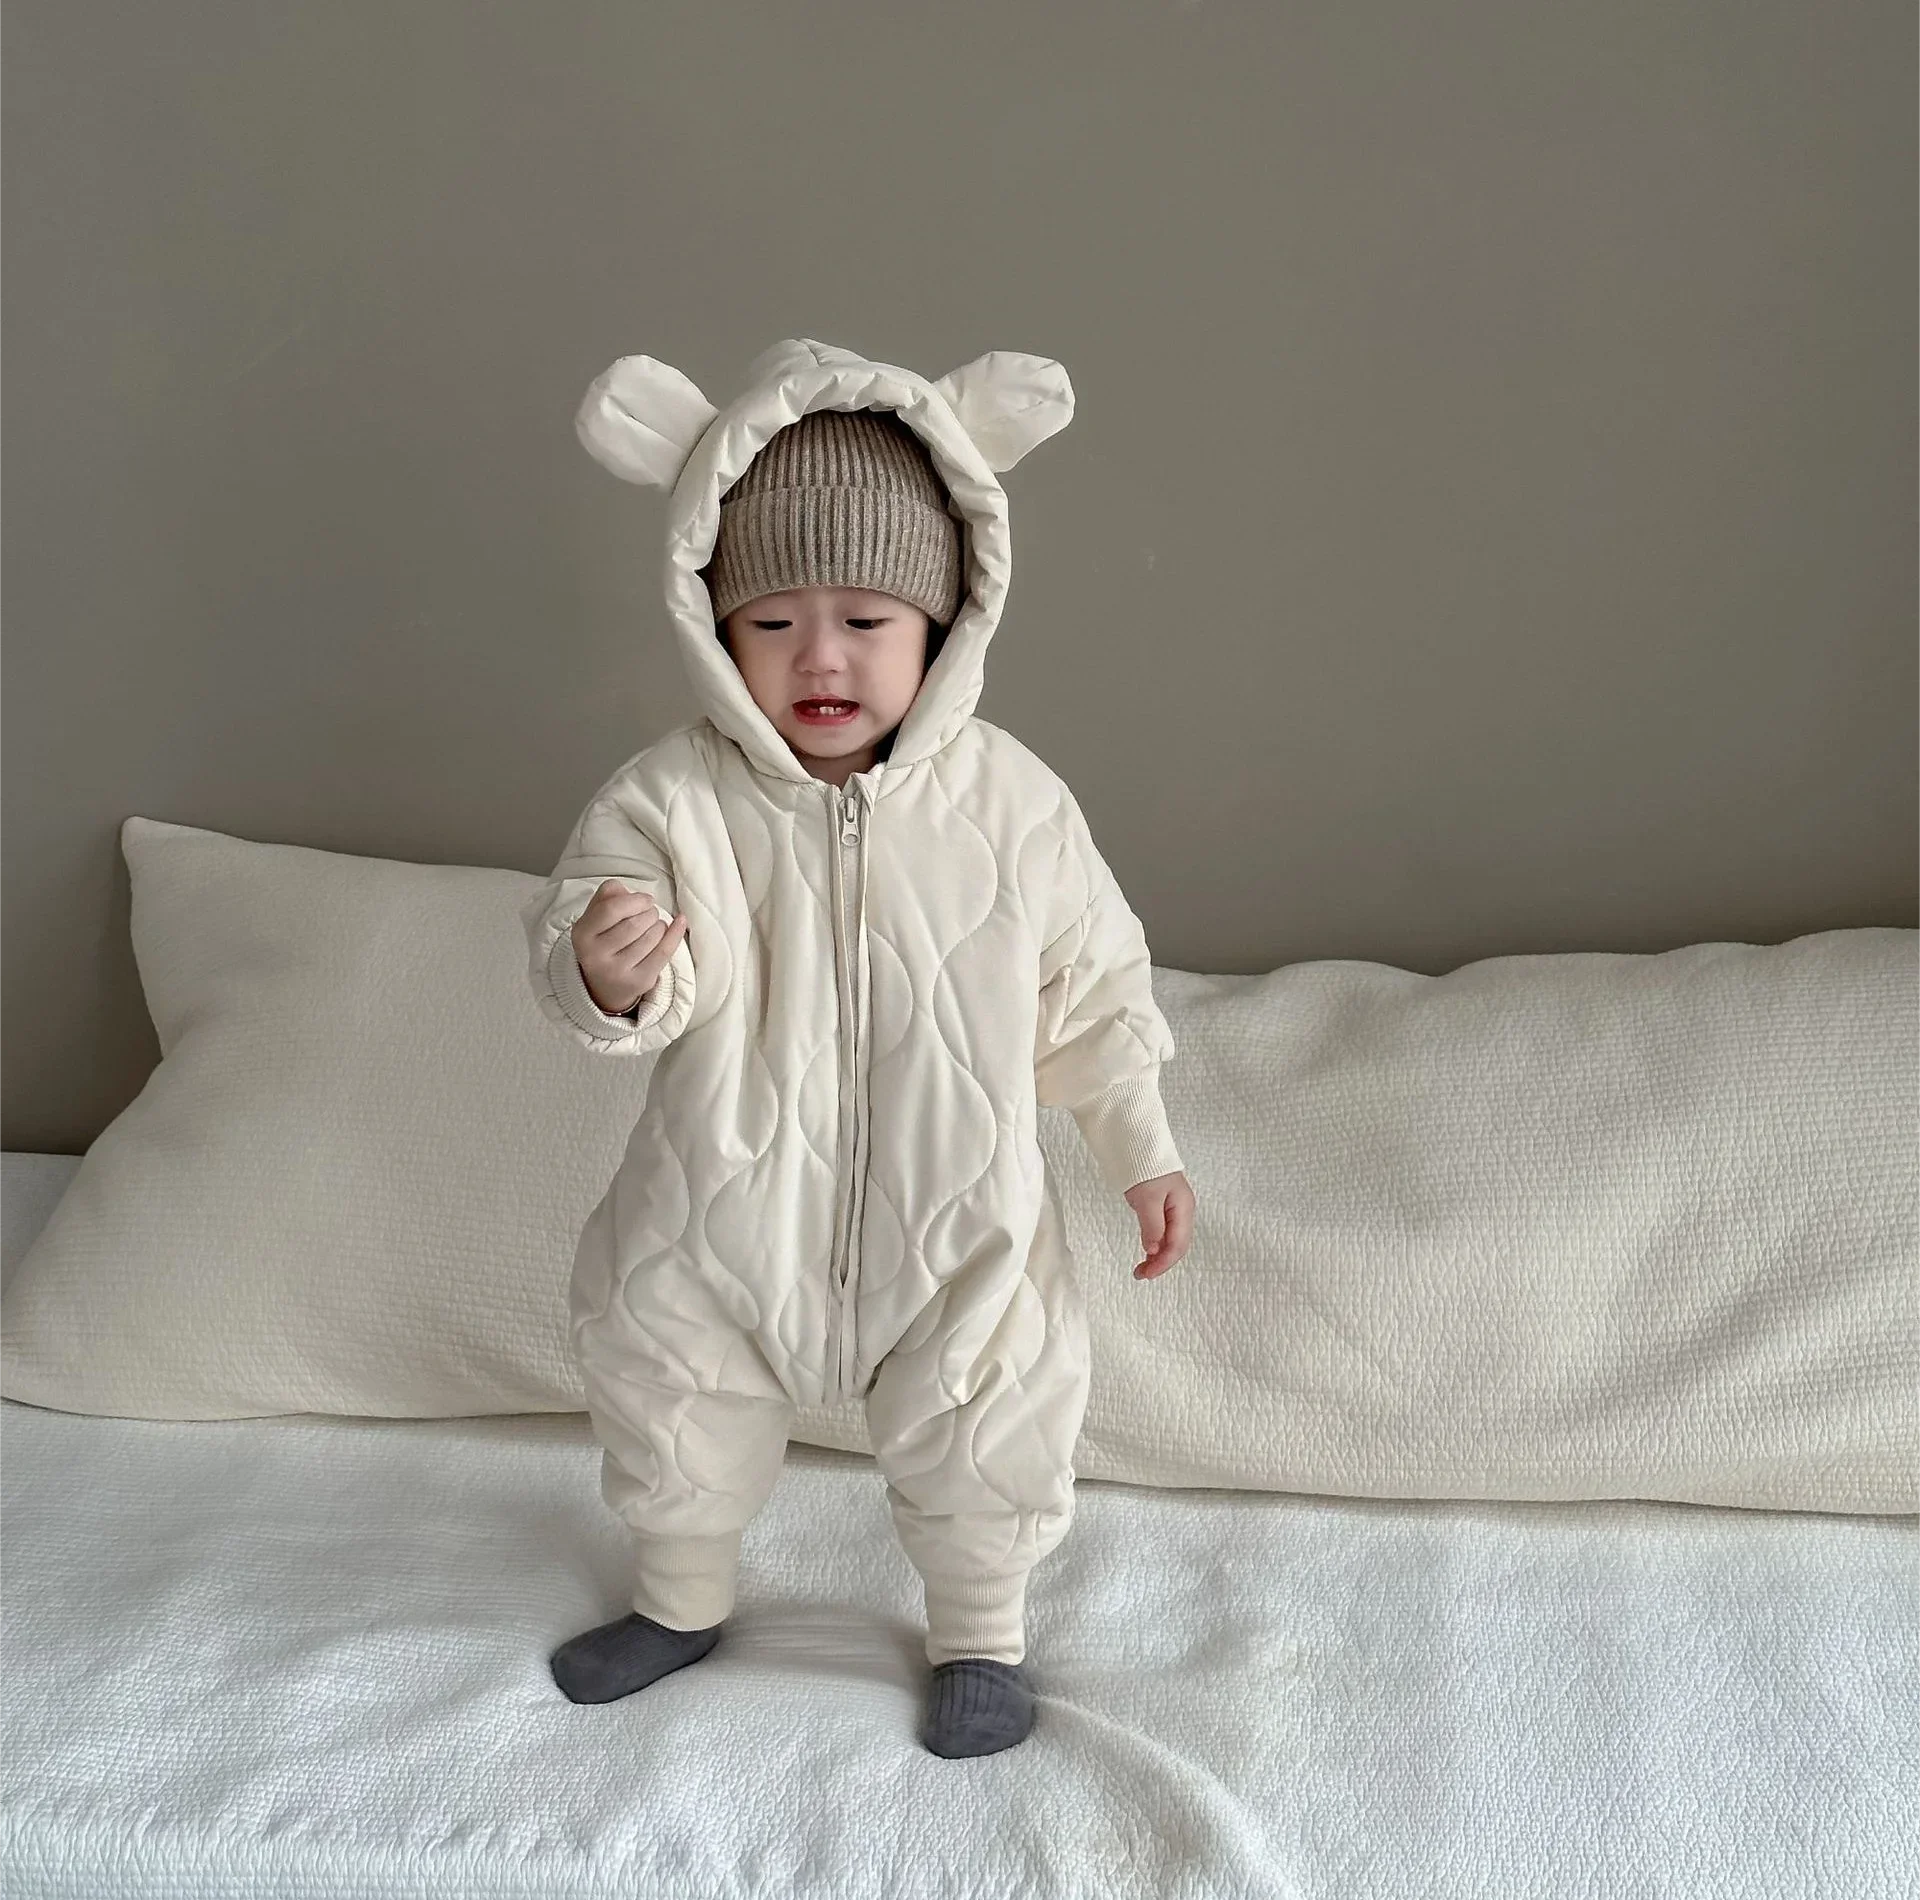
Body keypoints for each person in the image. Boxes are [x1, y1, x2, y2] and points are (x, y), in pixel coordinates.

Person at [520, 337, 1197, 1758]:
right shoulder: (670, 800)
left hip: (954, 1214)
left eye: (868, 620)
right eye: (770, 624)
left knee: (995, 1396)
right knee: (665, 1370)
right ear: (713, 629)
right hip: (724, 1206)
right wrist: (610, 961)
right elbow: (616, 958)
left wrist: (1139, 1147)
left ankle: (979, 1631)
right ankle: (681, 1596)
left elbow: (1091, 985)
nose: (818, 657)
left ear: (945, 625)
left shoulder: (1013, 803)